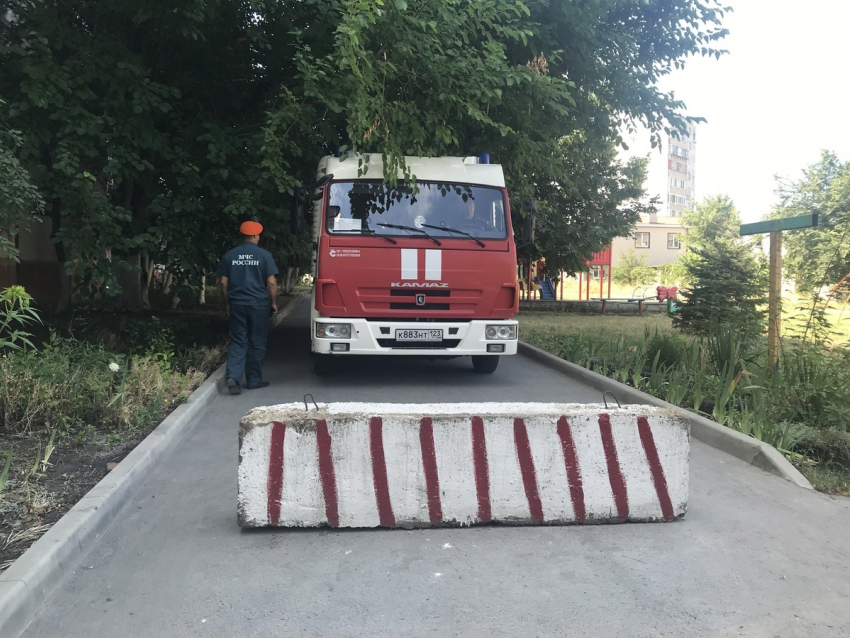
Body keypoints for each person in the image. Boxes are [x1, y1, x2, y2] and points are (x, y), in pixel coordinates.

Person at [217, 220, 279, 394]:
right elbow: (271, 282)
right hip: (258, 304)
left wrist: (228, 302)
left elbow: (223, 282)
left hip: (237, 304)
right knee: (257, 342)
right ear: (255, 235)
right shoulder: (264, 255)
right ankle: (254, 381)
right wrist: (273, 302)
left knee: (238, 340)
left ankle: (233, 377)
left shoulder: (230, 255)